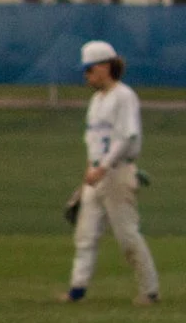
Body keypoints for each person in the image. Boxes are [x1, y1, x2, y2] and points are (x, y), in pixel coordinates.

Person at [64, 40, 160, 305]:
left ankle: (149, 291)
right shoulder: (96, 100)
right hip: (97, 175)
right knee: (85, 234)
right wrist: (90, 170)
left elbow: (127, 137)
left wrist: (103, 166)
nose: (86, 75)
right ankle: (77, 290)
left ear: (106, 67)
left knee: (126, 235)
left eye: (90, 69)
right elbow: (93, 140)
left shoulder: (123, 95)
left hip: (117, 172)